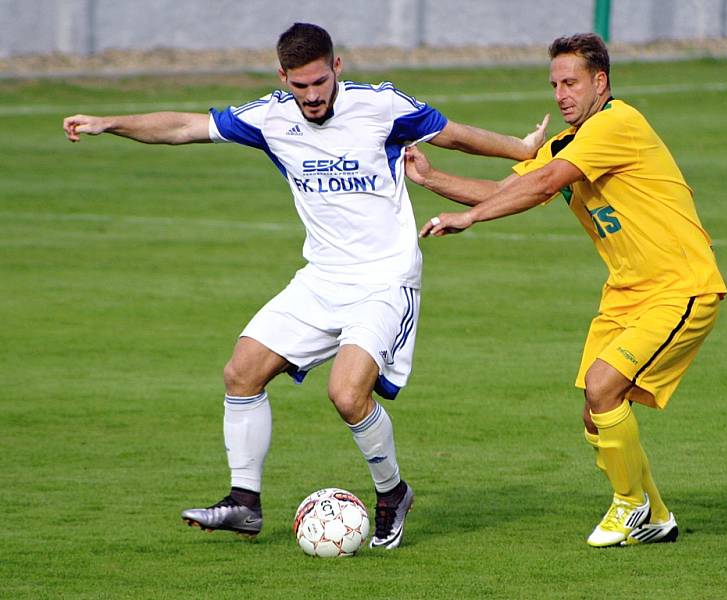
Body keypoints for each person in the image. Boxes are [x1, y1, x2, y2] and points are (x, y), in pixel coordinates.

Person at [63, 22, 549, 549]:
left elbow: (452, 133)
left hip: (385, 279)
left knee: (346, 394)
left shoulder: (381, 106)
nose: (313, 96)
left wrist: (520, 150)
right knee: (241, 370)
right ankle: (244, 504)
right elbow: (183, 126)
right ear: (283, 77)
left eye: (320, 82)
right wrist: (109, 122)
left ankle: (392, 492)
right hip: (320, 278)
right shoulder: (269, 118)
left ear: (336, 67)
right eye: (301, 86)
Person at [408, 32, 727, 547]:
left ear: (600, 82)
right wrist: (430, 177)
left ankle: (631, 504)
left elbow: (541, 184)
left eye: (571, 82)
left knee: (604, 387)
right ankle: (658, 517)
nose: (560, 94)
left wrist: (469, 219)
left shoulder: (616, 124)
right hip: (627, 291)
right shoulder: (568, 143)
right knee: (595, 409)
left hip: (680, 284)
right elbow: (509, 190)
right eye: (554, 83)